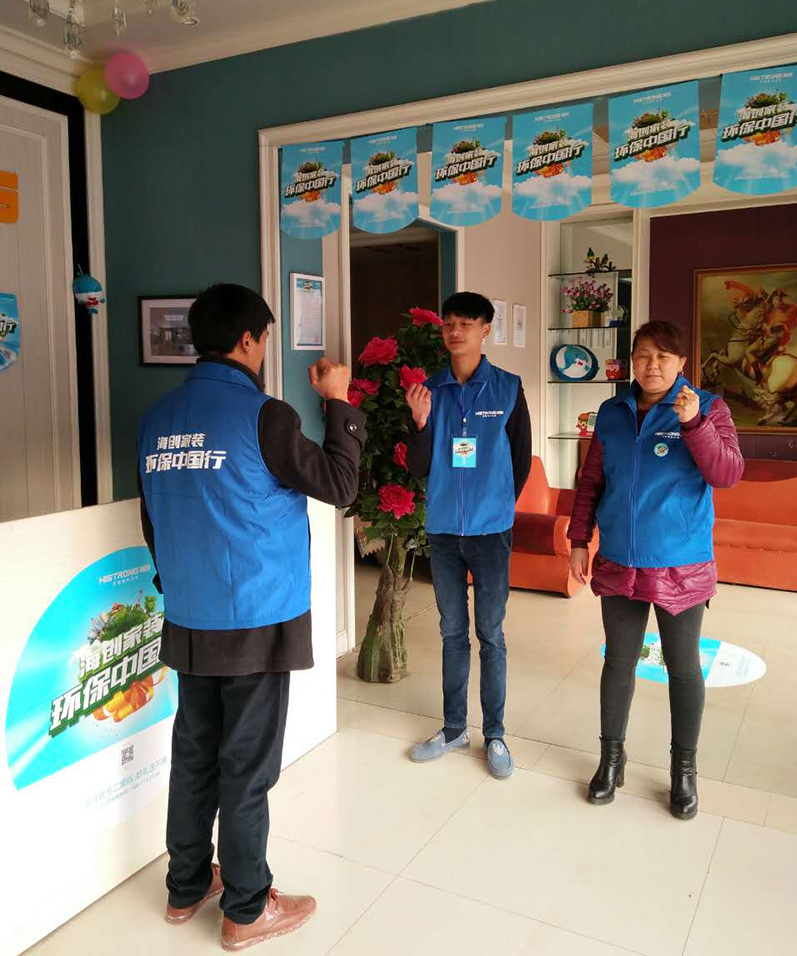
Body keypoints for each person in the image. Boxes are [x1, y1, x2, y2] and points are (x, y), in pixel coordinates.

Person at [138, 283, 365, 950]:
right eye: (265, 339)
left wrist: (179, 586)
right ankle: (245, 906)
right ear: (248, 340)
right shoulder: (266, 416)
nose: (264, 350)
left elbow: (153, 518)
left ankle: (186, 886)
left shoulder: (156, 418)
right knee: (245, 766)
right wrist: (339, 402)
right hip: (257, 618)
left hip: (190, 615)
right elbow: (340, 485)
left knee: (195, 753)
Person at [567, 320, 743, 819]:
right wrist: (578, 540)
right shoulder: (613, 412)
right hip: (619, 560)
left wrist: (694, 424)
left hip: (680, 566)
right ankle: (611, 759)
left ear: (682, 363)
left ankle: (683, 771)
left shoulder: (708, 407)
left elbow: (727, 473)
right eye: (644, 356)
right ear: (632, 361)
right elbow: (591, 481)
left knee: (683, 668)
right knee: (618, 663)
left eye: (664, 357)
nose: (652, 366)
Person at [404, 292, 531, 778]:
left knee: (490, 635)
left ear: (486, 330)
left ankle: (494, 733)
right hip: (442, 531)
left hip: (490, 531)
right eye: (449, 324)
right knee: (452, 633)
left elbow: (520, 458)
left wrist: (495, 503)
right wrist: (420, 422)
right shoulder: (429, 391)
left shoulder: (507, 388)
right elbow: (419, 467)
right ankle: (455, 728)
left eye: (466, 324)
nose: (455, 332)